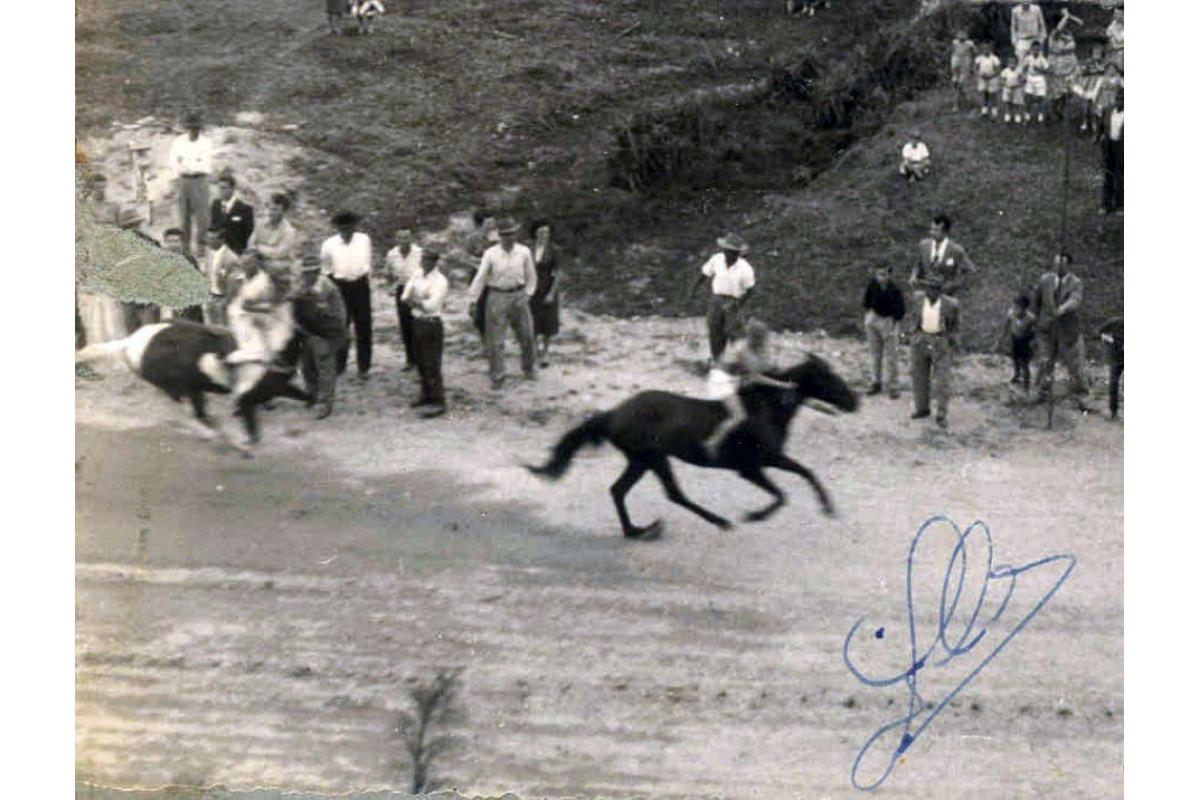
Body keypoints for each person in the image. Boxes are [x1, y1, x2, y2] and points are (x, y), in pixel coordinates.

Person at [702, 320, 795, 458]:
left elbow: (767, 367)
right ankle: (713, 442)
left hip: (737, 379)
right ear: (756, 338)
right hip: (721, 381)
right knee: (739, 416)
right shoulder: (742, 351)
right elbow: (756, 377)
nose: (766, 341)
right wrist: (783, 385)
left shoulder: (753, 348)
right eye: (763, 338)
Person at [468, 217, 538, 390]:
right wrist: (473, 300)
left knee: (527, 335)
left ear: (516, 233)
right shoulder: (490, 253)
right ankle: (498, 375)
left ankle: (529, 368)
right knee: (496, 340)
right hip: (497, 296)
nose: (509, 238)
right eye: (505, 235)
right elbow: (480, 278)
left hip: (518, 295)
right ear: (499, 236)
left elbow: (532, 277)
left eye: (512, 233)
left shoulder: (524, 252)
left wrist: (527, 295)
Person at [320, 210, 374, 379]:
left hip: (360, 284)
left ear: (354, 227)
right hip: (340, 286)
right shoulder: (329, 244)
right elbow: (326, 269)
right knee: (341, 326)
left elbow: (367, 263)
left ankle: (363, 367)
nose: (346, 232)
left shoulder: (364, 240)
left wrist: (363, 278)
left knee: (364, 326)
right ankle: (339, 365)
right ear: (337, 228)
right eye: (342, 229)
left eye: (349, 228)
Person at [293, 255, 347, 419]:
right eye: (304, 272)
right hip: (308, 331)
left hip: (327, 332)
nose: (307, 275)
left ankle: (325, 402)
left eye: (310, 272)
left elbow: (339, 316)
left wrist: (335, 336)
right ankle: (313, 394)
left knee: (325, 367)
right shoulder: (301, 286)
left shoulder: (327, 288)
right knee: (307, 366)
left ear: (317, 272)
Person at [402, 239, 451, 416]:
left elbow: (431, 305)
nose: (423, 262)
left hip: (432, 324)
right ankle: (426, 394)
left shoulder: (441, 280)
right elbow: (405, 296)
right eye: (423, 258)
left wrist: (417, 299)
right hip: (417, 322)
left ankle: (439, 400)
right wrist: (419, 299)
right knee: (420, 361)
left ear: (434, 261)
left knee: (432, 363)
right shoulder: (417, 274)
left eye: (428, 259)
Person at [690, 233, 756, 363]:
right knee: (714, 330)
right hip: (716, 299)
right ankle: (717, 361)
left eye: (733, 252)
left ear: (738, 253)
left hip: (733, 301)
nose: (729, 254)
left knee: (735, 333)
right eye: (727, 251)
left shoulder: (745, 269)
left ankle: (742, 363)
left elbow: (750, 291)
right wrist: (693, 290)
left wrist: (737, 304)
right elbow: (704, 274)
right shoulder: (716, 259)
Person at [1030, 252, 1087, 404]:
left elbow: (1075, 300)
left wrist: (1062, 309)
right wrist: (1033, 318)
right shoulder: (1045, 279)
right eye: (1055, 264)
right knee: (1045, 361)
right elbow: (1036, 300)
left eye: (1061, 265)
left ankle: (1080, 396)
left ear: (1068, 265)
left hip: (1068, 329)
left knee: (1075, 365)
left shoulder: (1076, 283)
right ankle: (1042, 392)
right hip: (1046, 329)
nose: (1057, 267)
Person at [908, 276, 960, 429]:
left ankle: (941, 413)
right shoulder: (917, 298)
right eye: (929, 288)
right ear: (925, 288)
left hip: (940, 340)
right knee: (919, 375)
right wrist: (914, 334)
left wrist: (951, 339)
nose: (932, 291)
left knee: (942, 378)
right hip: (921, 338)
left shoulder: (951, 304)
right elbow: (913, 315)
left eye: (936, 288)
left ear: (941, 289)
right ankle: (922, 408)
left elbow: (956, 324)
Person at [226, 253, 296, 366]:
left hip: (266, 315)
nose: (283, 284)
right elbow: (243, 305)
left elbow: (282, 301)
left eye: (249, 263)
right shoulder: (255, 285)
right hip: (244, 314)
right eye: (243, 263)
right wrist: (267, 308)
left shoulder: (272, 285)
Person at [167, 111, 213, 256]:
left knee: (202, 217)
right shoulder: (179, 142)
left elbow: (206, 164)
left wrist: (187, 164)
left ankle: (201, 246)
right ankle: (185, 247)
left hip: (200, 180)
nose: (194, 131)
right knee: (183, 216)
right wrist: (188, 165)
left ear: (200, 128)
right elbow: (173, 162)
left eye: (196, 128)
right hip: (183, 181)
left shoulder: (206, 143)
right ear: (187, 128)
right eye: (191, 128)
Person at [862, 262, 905, 398]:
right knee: (875, 354)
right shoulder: (872, 285)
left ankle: (894, 386)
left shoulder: (895, 290)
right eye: (878, 274)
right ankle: (876, 383)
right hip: (873, 319)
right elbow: (866, 302)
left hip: (888, 321)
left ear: (889, 275)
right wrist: (870, 316)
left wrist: (893, 321)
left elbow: (901, 309)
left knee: (891, 356)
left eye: (884, 274)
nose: (881, 277)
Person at [910, 214, 976, 297]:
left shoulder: (956, 250)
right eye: (931, 229)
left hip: (946, 297)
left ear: (945, 232)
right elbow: (917, 265)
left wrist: (952, 285)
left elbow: (970, 272)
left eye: (936, 230)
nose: (932, 233)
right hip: (925, 294)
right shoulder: (924, 245)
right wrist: (914, 275)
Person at [385, 228, 423, 372]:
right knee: (405, 325)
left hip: (417, 289)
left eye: (406, 237)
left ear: (411, 238)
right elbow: (388, 273)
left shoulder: (419, 253)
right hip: (402, 290)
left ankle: (421, 359)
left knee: (418, 323)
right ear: (397, 239)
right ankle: (410, 360)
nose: (404, 240)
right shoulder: (392, 255)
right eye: (400, 237)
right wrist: (390, 286)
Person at [529, 218, 562, 368]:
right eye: (541, 232)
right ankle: (535, 351)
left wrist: (551, 293)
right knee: (532, 320)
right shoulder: (528, 248)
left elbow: (559, 272)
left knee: (548, 322)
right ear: (535, 233)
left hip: (547, 286)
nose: (544, 235)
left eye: (547, 232)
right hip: (531, 288)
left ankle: (545, 352)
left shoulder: (554, 249)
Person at [247, 191, 301, 269]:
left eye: (275, 210)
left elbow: (278, 253)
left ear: (284, 212)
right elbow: (251, 244)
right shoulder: (260, 223)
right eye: (270, 208)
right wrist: (259, 250)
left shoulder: (289, 231)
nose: (271, 212)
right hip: (258, 262)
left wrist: (258, 248)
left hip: (279, 269)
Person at [209, 169, 255, 255]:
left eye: (224, 188)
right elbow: (211, 227)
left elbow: (248, 234)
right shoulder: (215, 206)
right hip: (216, 251)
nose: (221, 191)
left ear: (232, 189)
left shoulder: (245, 209)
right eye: (219, 188)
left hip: (236, 252)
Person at [997, 293, 1036, 394]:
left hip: (1025, 342)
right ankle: (1017, 374)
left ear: (1025, 308)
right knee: (1015, 359)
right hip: (1015, 339)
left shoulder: (1030, 318)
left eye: (1020, 308)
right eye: (1015, 307)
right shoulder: (1011, 314)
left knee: (1025, 363)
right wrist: (1001, 338)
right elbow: (1006, 326)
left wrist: (1033, 343)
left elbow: (1035, 332)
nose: (1017, 310)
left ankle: (1026, 386)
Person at [203, 226, 241, 326]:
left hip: (224, 299)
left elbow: (235, 282)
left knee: (225, 327)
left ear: (221, 240)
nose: (208, 241)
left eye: (212, 239)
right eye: (207, 238)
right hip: (211, 296)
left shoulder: (231, 258)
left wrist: (226, 301)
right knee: (211, 327)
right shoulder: (208, 251)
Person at [1046, 14, 1080, 122]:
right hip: (1057, 65)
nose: (1065, 25)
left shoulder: (1069, 34)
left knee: (1069, 90)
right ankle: (1054, 110)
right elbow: (1058, 28)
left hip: (1070, 65)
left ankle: (1062, 109)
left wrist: (1070, 16)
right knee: (1057, 91)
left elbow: (1080, 24)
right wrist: (1065, 17)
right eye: (1063, 23)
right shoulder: (1054, 34)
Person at [1099, 91, 1124, 216]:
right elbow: (1102, 126)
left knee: (1121, 177)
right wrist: (1101, 136)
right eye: (1118, 99)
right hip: (1109, 147)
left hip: (1122, 148)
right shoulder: (1109, 111)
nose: (1119, 102)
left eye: (1123, 99)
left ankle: (1120, 205)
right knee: (1108, 174)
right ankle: (1106, 204)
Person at [1098, 317, 1123, 420]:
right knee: (1113, 383)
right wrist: (1110, 340)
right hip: (1117, 357)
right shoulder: (1116, 322)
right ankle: (1114, 412)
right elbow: (1100, 332)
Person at [1022, 41, 1050, 124]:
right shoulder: (1028, 58)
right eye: (1034, 49)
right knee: (1028, 97)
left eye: (1037, 49)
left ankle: (1040, 116)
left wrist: (1039, 69)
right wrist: (1023, 76)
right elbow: (1024, 67)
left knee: (1040, 98)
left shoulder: (1042, 59)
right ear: (1031, 50)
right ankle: (1027, 116)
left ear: (1040, 50)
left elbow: (1047, 70)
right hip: (1030, 78)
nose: (1035, 51)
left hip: (1040, 78)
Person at [949, 30, 977, 112]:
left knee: (960, 83)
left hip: (965, 63)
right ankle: (963, 97)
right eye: (960, 35)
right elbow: (951, 52)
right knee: (955, 82)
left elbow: (974, 52)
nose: (961, 37)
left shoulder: (969, 44)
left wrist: (972, 66)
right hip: (956, 63)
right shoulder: (954, 43)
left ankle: (956, 104)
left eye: (963, 35)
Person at [974, 41, 1002, 118]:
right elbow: (975, 68)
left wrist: (991, 75)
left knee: (993, 94)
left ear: (991, 49)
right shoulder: (979, 58)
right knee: (984, 94)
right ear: (982, 49)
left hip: (992, 79)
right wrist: (980, 74)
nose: (986, 50)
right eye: (984, 49)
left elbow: (998, 70)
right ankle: (984, 110)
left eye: (988, 48)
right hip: (982, 78)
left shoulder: (994, 58)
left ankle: (994, 111)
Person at [1000, 55, 1026, 124]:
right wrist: (1005, 84)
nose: (1012, 65)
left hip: (1016, 89)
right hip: (1007, 89)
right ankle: (1008, 116)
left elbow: (1022, 79)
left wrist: (1019, 84)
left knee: (1016, 103)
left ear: (1017, 63)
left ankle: (1017, 116)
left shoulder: (1018, 71)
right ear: (1008, 63)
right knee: (1008, 103)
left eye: (1014, 63)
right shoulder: (1005, 71)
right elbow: (1002, 80)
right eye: (1010, 63)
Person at [1106, 7, 1124, 73]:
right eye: (1115, 14)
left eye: (1118, 14)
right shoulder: (1111, 29)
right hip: (1118, 55)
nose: (1115, 15)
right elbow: (1114, 46)